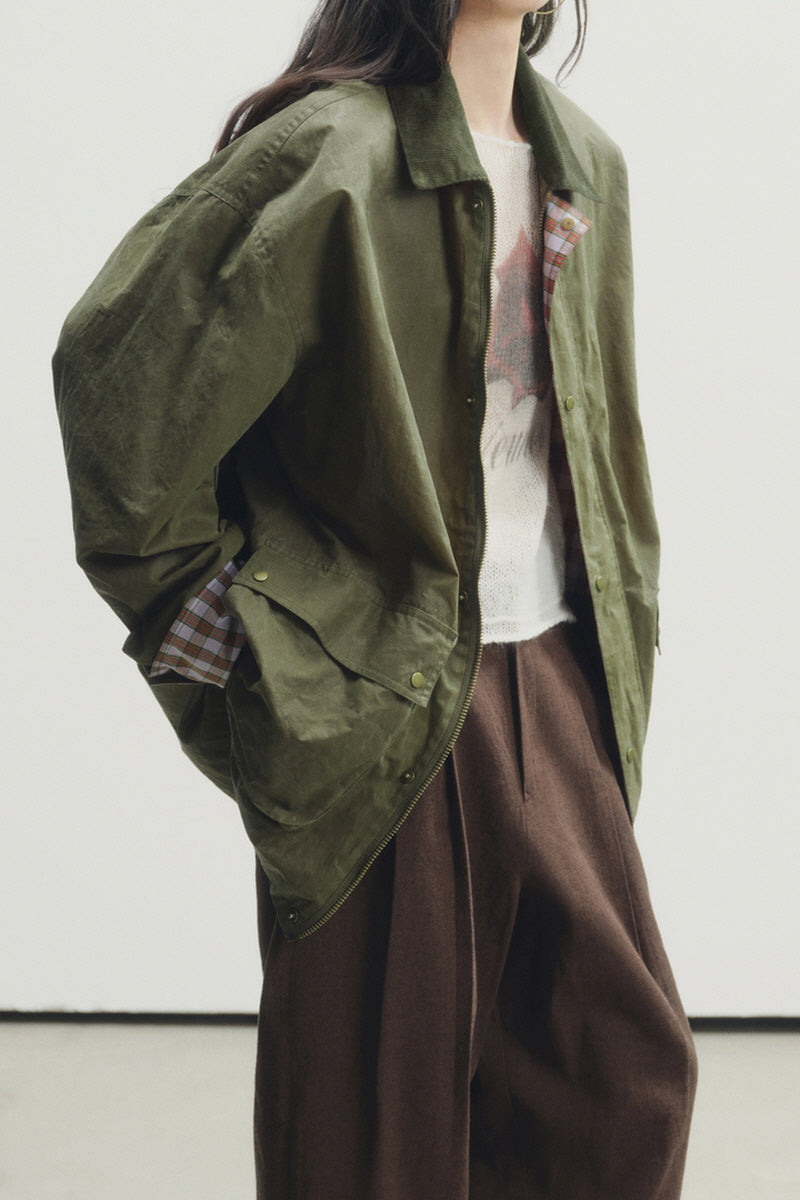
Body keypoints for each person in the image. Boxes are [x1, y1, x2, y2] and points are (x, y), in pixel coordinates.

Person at [53, 0, 698, 1195]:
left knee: (618, 1085)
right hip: (377, 694)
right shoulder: (332, 151)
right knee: (373, 1135)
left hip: (559, 675)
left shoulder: (585, 163)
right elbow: (119, 396)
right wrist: (265, 671)